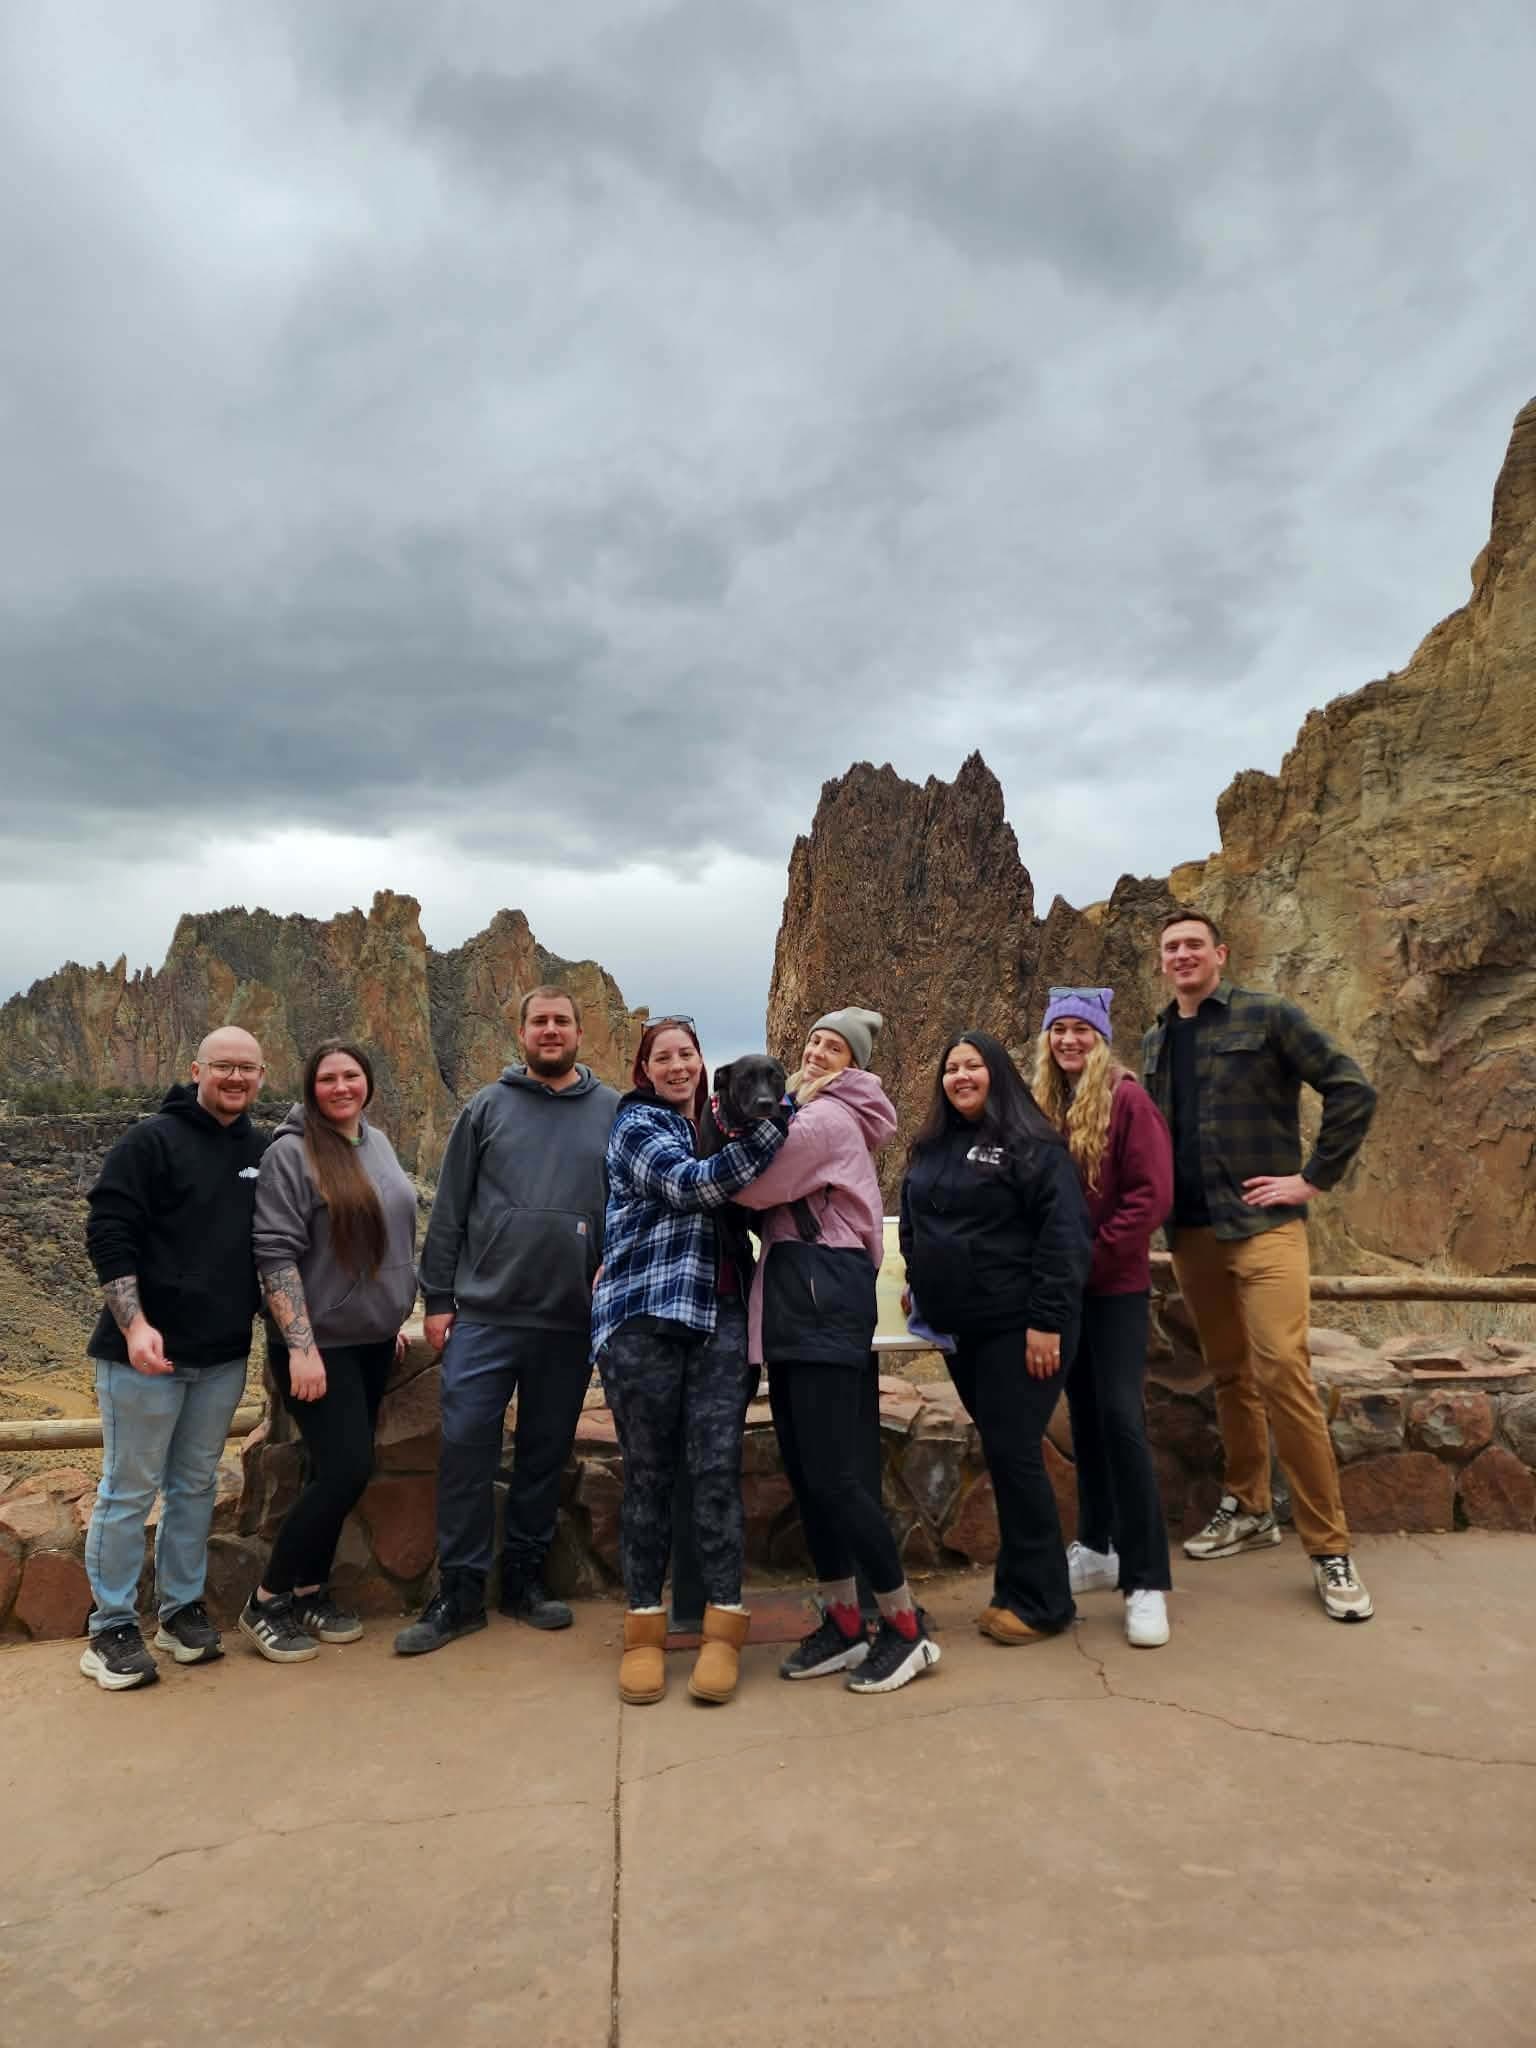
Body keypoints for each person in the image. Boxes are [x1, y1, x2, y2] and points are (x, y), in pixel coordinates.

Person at [1143, 911, 1378, 1622]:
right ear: (1162, 963)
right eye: (1170, 948)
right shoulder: (1156, 1039)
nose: (1182, 955)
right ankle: (1248, 1506)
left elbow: (1350, 1087)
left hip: (1265, 1226)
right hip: (1192, 1234)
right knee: (1230, 1373)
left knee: (1282, 1368)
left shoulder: (1268, 1015)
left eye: (1193, 944)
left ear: (1219, 953)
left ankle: (1329, 1548)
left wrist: (1311, 1178)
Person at [394, 988, 619, 1655]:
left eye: (562, 1021)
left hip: (570, 1319)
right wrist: (438, 1299)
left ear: (581, 1032)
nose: (551, 1031)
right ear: (520, 1033)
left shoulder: (613, 1111)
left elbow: (631, 1204)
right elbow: (452, 1212)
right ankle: (460, 1594)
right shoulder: (486, 1109)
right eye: (539, 1022)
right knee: (466, 1447)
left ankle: (524, 1580)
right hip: (487, 1315)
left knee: (545, 1455)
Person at [733, 1007, 940, 1695]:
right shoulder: (805, 1111)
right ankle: (846, 1622)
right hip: (803, 1295)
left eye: (835, 1048)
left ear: (853, 1064)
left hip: (820, 1291)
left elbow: (755, 1187)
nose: (819, 1052)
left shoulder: (822, 1121)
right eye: (815, 1042)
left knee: (836, 1475)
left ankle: (904, 1629)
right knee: (810, 1469)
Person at [592, 1017, 785, 1707]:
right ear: (646, 1070)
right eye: (663, 1057)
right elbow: (694, 1188)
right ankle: (644, 1631)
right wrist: (774, 1124)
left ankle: (722, 1632)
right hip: (644, 1319)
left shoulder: (719, 1125)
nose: (677, 1066)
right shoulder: (638, 1126)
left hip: (719, 1322)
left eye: (688, 1055)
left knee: (714, 1474)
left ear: (705, 1065)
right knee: (647, 1477)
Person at [79, 1027, 270, 1690]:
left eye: (247, 1068)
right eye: (224, 1066)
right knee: (128, 1492)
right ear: (197, 1069)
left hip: (220, 1358)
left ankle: (181, 1613)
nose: (235, 1078)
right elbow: (108, 1230)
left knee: (193, 1487)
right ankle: (109, 1629)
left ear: (261, 1076)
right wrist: (135, 1327)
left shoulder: (262, 1150)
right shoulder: (149, 1141)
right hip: (142, 1357)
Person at [900, 1030, 1092, 1646]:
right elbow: (913, 1224)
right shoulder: (931, 1146)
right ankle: (1016, 1588)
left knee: (1012, 1452)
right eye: (951, 1067)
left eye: (973, 1066)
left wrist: (1047, 1321)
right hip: (964, 1330)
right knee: (1006, 1451)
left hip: (1021, 1327)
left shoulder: (1033, 1146)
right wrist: (918, 1283)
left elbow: (1063, 1239)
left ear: (998, 1074)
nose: (960, 1076)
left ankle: (1043, 1603)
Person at [241, 1040, 419, 1662]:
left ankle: (310, 1591)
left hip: (372, 1340)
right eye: (327, 1079)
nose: (340, 1087)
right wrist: (301, 1348)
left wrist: (391, 1311)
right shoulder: (290, 1155)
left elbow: (389, 1237)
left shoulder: (377, 1140)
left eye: (351, 1076)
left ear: (367, 1082)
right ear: (310, 1087)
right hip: (320, 1347)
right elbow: (276, 1253)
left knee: (328, 1470)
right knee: (347, 1468)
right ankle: (265, 1601)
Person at [1034, 989, 1175, 1648]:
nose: (1068, 1040)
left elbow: (1150, 1196)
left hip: (1113, 1289)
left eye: (1079, 1030)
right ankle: (1096, 1546)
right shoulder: (1045, 1103)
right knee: (1083, 1416)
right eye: (1058, 1029)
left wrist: (1087, 1258)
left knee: (1120, 1419)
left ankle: (1147, 1578)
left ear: (1099, 1036)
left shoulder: (1126, 1100)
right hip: (1067, 1294)